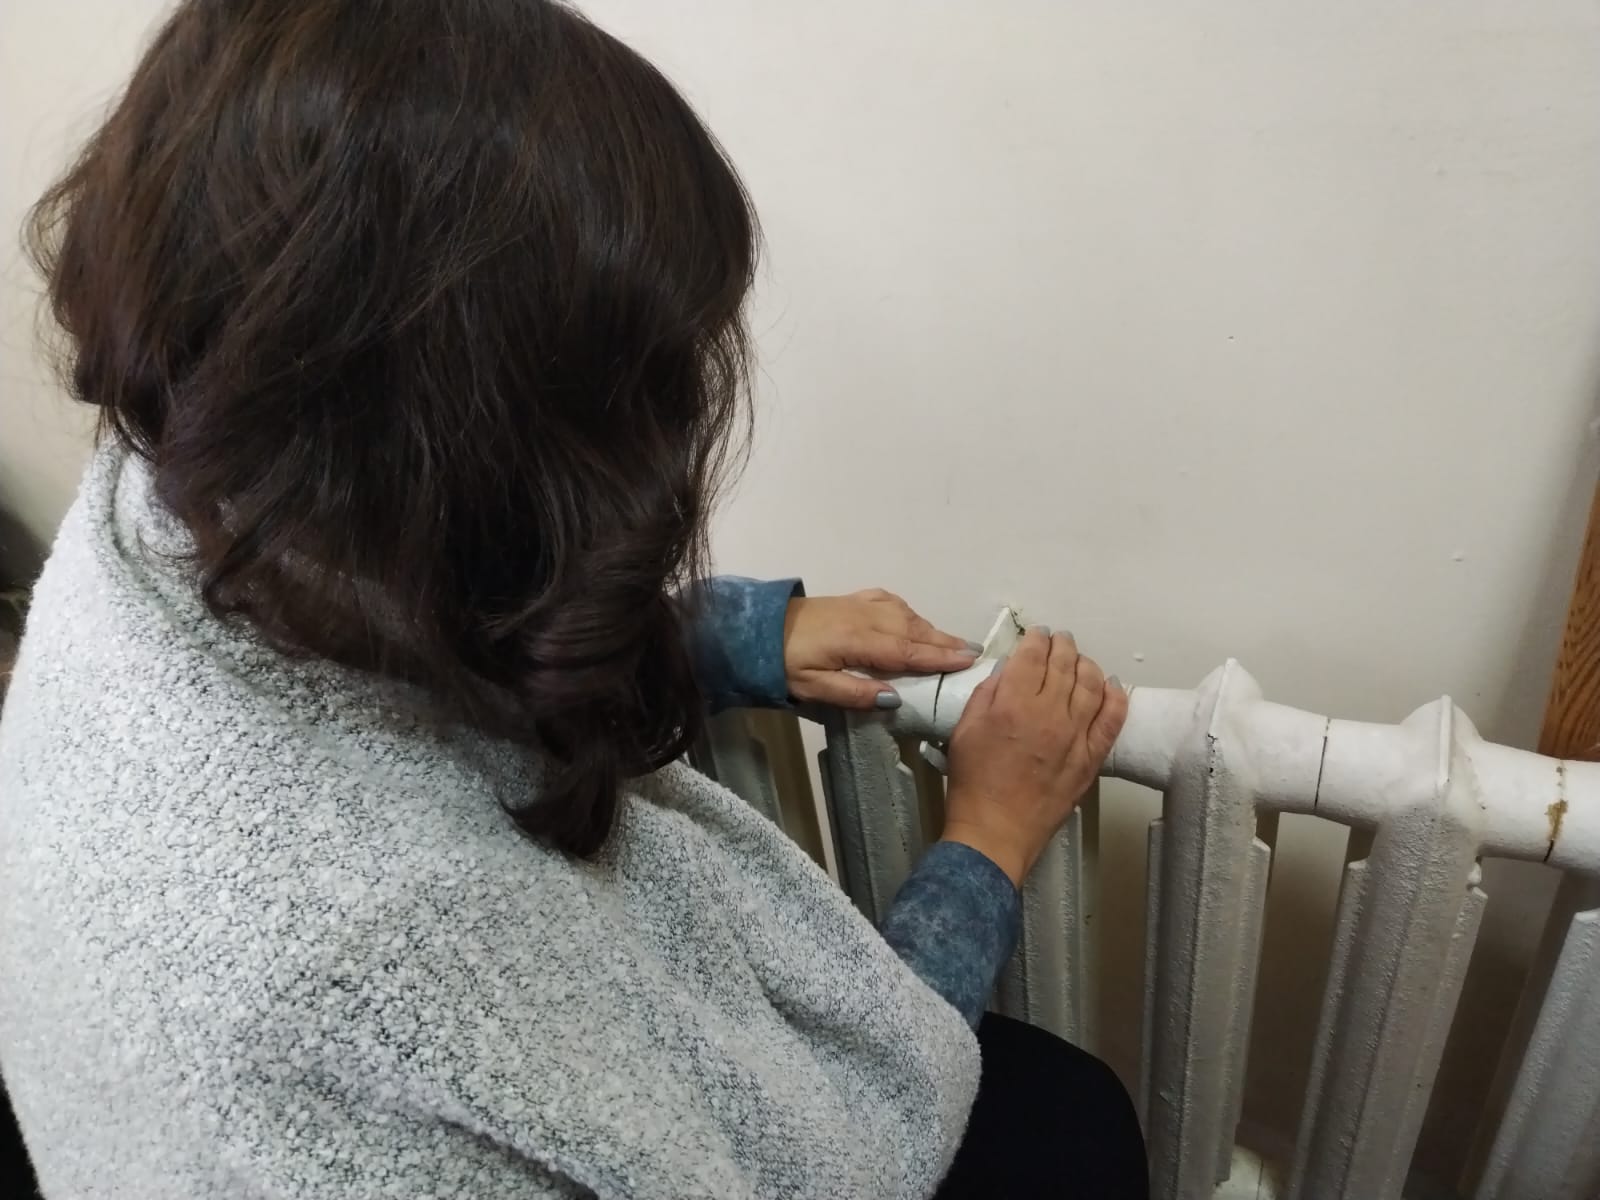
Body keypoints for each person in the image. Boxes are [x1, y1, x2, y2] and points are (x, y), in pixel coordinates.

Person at [0, 2, 1145, 1197]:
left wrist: (728, 635)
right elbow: (840, 1149)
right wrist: (989, 836)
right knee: (1075, 1120)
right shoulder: (400, 943)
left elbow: (401, 632)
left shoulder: (164, 479)